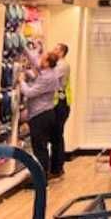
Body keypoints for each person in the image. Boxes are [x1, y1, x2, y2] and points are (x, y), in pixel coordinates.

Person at [20, 51, 60, 181]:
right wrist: (24, 48)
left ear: (47, 63)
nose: (40, 60)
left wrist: (21, 81)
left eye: (43, 59)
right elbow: (35, 62)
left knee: (39, 148)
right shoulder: (49, 72)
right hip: (45, 114)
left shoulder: (47, 77)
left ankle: (41, 180)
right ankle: (42, 177)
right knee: (41, 147)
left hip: (40, 116)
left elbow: (29, 93)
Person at [50, 43, 71, 177]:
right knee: (55, 136)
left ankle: (57, 168)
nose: (53, 50)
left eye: (56, 49)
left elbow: (50, 78)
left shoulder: (62, 65)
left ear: (62, 52)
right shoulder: (59, 65)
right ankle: (56, 167)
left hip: (60, 104)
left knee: (57, 136)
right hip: (59, 103)